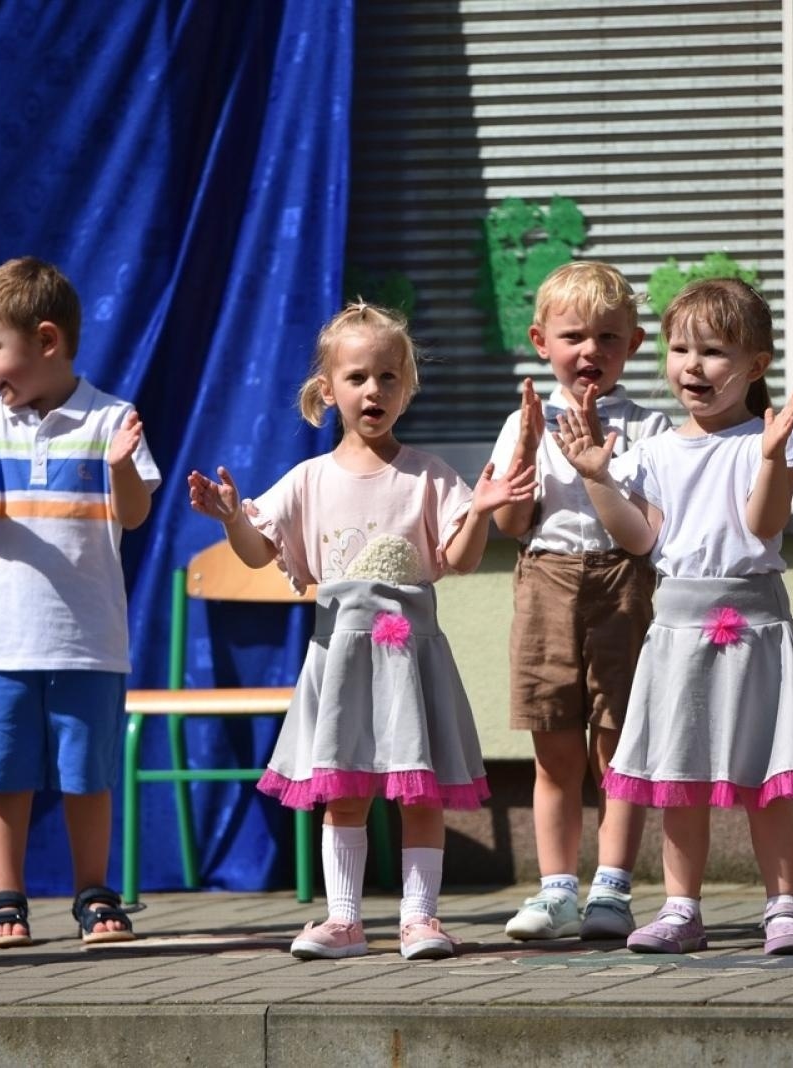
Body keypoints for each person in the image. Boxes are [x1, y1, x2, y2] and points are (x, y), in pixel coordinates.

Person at [188, 301, 533, 961]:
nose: (373, 389)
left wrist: (482, 512)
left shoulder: (429, 476)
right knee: (342, 789)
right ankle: (344, 921)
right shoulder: (309, 479)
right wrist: (232, 518)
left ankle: (420, 919)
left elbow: (457, 560)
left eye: (388, 377)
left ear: (407, 388)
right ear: (327, 391)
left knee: (419, 786)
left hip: (412, 661)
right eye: (357, 377)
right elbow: (260, 553)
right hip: (340, 661)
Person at [555, 277, 793, 956]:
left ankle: (784, 906)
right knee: (679, 780)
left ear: (756, 365)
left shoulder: (773, 442)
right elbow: (641, 539)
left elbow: (762, 526)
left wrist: (769, 463)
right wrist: (596, 476)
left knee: (766, 780)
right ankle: (682, 908)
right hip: (676, 629)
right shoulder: (653, 450)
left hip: (755, 626)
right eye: (680, 349)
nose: (692, 366)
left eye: (712, 351)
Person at [0, 257, 160, 949]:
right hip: (4, 641)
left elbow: (135, 512)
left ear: (48, 340)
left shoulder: (112, 418)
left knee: (88, 775)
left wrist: (120, 468)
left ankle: (95, 894)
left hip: (89, 641)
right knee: (2, 775)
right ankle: (6, 898)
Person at [488, 262, 670, 942]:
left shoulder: (651, 426)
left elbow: (653, 531)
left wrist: (600, 461)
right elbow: (509, 528)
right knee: (553, 747)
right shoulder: (522, 421)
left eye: (608, 338)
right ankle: (557, 890)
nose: (590, 351)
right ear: (541, 341)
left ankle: (613, 892)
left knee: (616, 745)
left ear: (634, 344)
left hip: (623, 582)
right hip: (546, 579)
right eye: (573, 336)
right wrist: (531, 448)